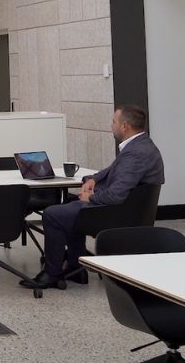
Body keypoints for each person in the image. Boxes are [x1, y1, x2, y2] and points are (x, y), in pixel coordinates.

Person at [22, 104, 165, 289]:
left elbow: (116, 195)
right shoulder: (140, 145)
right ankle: (77, 268)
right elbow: (112, 170)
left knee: (52, 214)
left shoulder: (136, 153)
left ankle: (52, 273)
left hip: (118, 215)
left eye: (114, 121)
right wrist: (92, 180)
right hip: (126, 210)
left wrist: (90, 198)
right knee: (69, 206)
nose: (111, 125)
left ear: (124, 126)